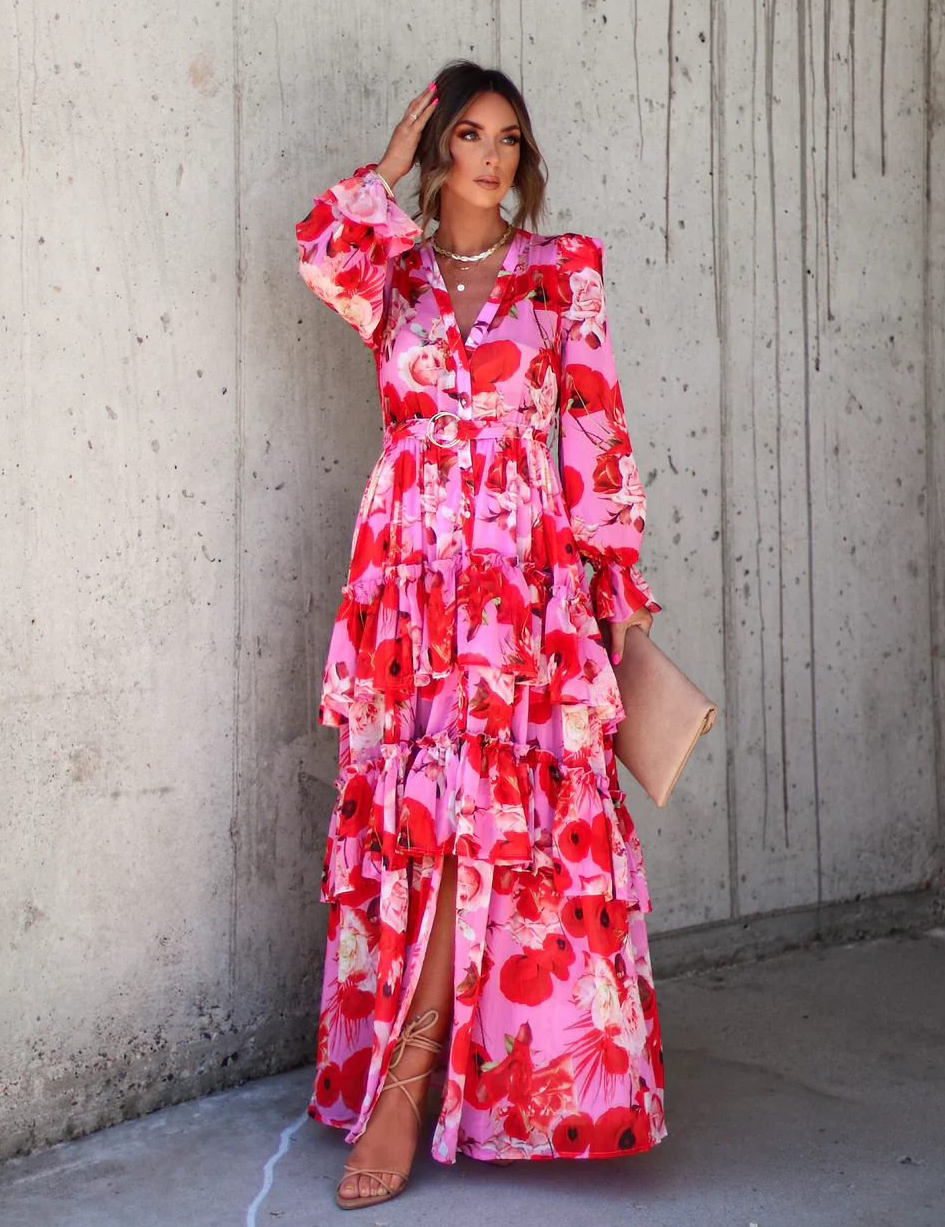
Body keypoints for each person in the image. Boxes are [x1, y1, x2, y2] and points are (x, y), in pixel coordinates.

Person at [294, 59, 667, 1211]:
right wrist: (383, 168)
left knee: (492, 818)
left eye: (508, 137)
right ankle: (409, 1068)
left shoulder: (561, 271)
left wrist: (610, 584)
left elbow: (595, 427)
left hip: (520, 578)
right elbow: (322, 256)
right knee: (420, 818)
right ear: (437, 147)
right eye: (468, 134)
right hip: (409, 576)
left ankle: (411, 1084)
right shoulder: (392, 271)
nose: (491, 156)